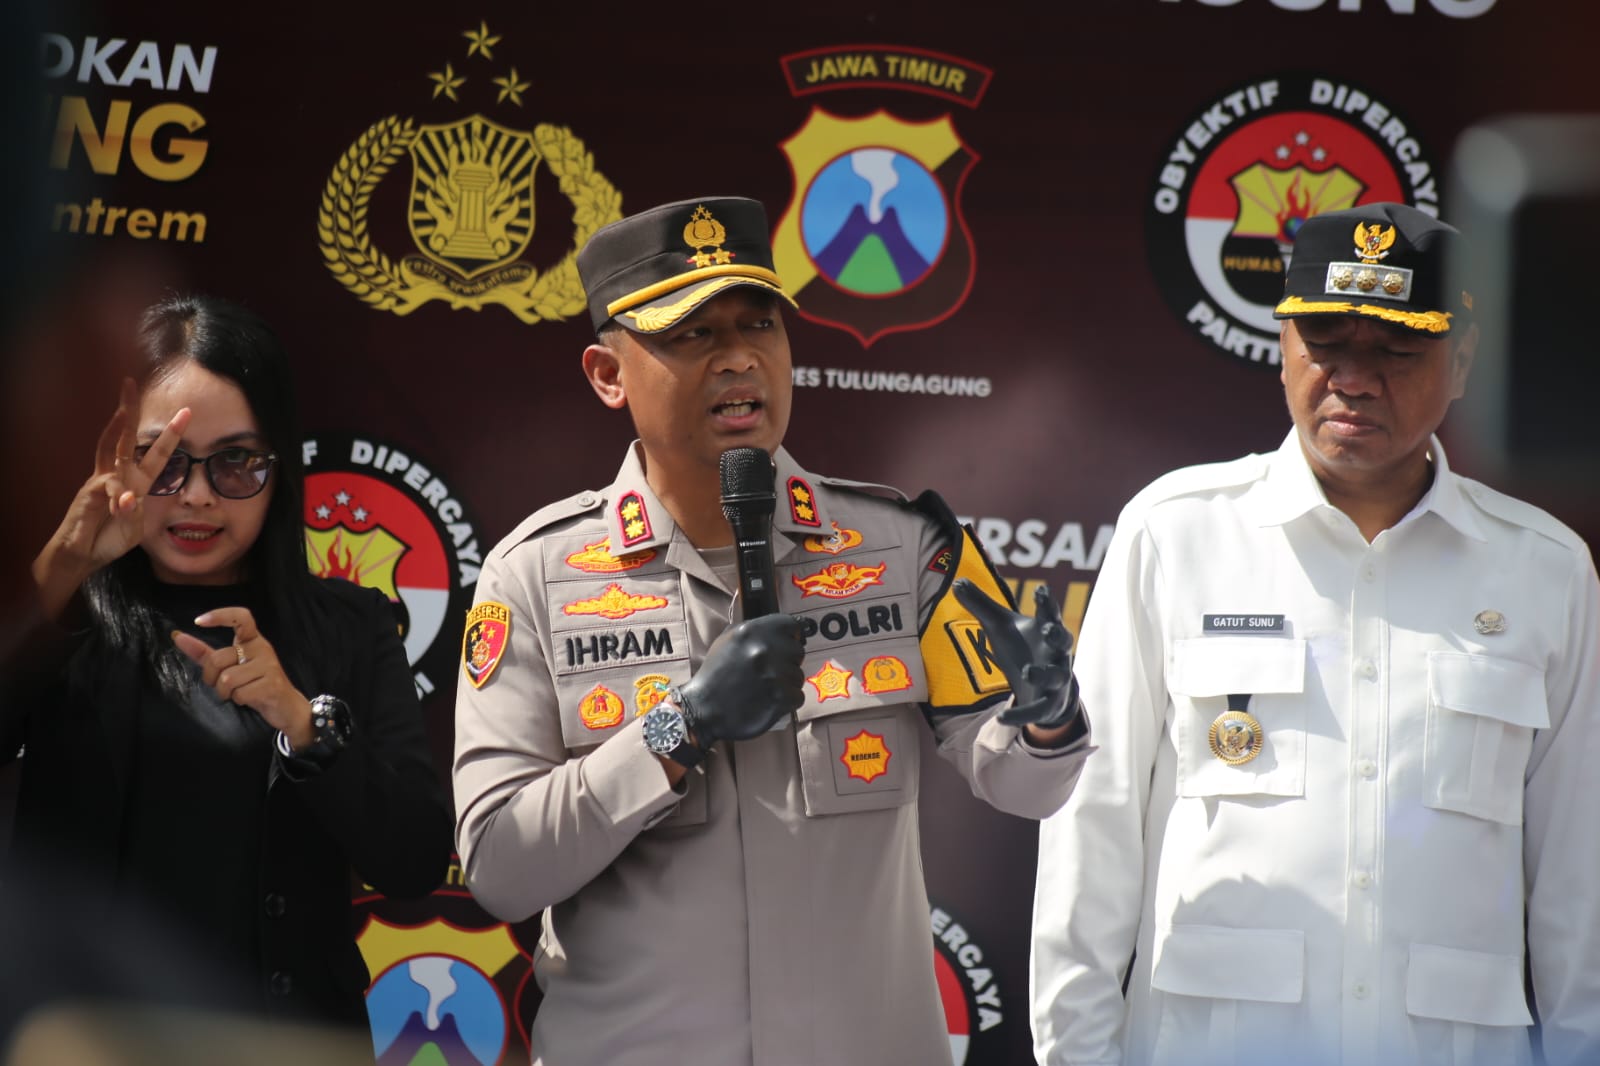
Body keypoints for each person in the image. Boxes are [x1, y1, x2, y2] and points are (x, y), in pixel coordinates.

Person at [452, 196, 1092, 1065]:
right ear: (608, 374)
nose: (739, 358)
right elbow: (500, 867)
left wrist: (1047, 719)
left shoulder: (900, 544)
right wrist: (681, 727)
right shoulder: (533, 574)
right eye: (692, 334)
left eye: (760, 323)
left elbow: (1025, 785)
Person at [1029, 203, 1600, 1066]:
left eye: (1398, 349)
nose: (1354, 379)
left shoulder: (1544, 570)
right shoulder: (1177, 532)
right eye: (1325, 342)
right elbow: (1090, 829)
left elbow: (1578, 882)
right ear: (1282, 345)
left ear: (1463, 362)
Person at [1, 294, 453, 1044]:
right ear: (118, 455)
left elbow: (414, 862)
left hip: (283, 1040)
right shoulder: (61, 613)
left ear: (281, 468)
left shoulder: (351, 626)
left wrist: (306, 725)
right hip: (85, 1039)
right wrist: (60, 571)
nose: (198, 495)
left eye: (236, 462)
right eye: (165, 461)